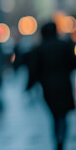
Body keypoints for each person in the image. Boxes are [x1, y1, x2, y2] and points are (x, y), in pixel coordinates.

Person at [27, 22, 76, 150]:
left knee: (54, 115)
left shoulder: (39, 49)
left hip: (48, 87)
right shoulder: (64, 45)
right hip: (64, 85)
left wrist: (29, 85)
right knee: (63, 115)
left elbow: (34, 70)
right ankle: (61, 139)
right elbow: (72, 63)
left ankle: (58, 139)